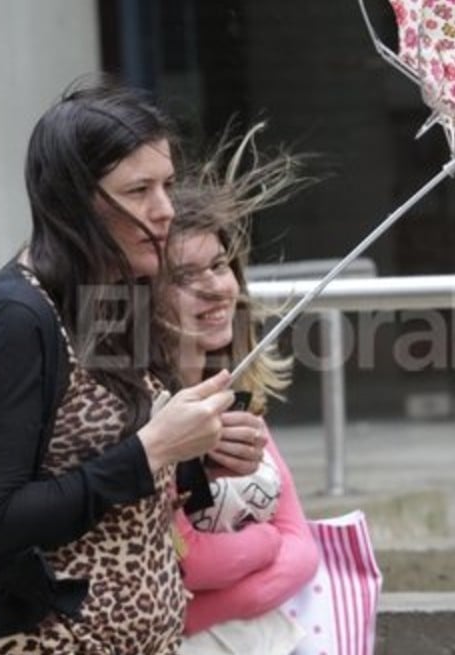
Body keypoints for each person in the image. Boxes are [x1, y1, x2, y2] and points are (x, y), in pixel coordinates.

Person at [0, 80, 269, 654]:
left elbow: (113, 472)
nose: (165, 210)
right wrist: (153, 450)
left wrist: (200, 456)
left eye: (167, 184)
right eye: (138, 190)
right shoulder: (14, 318)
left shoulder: (118, 297)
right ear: (73, 201)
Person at [159, 130, 321, 653]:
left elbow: (303, 551)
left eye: (219, 265)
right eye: (185, 276)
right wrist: (266, 543)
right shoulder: (144, 411)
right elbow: (192, 562)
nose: (215, 287)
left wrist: (238, 587)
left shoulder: (233, 393)